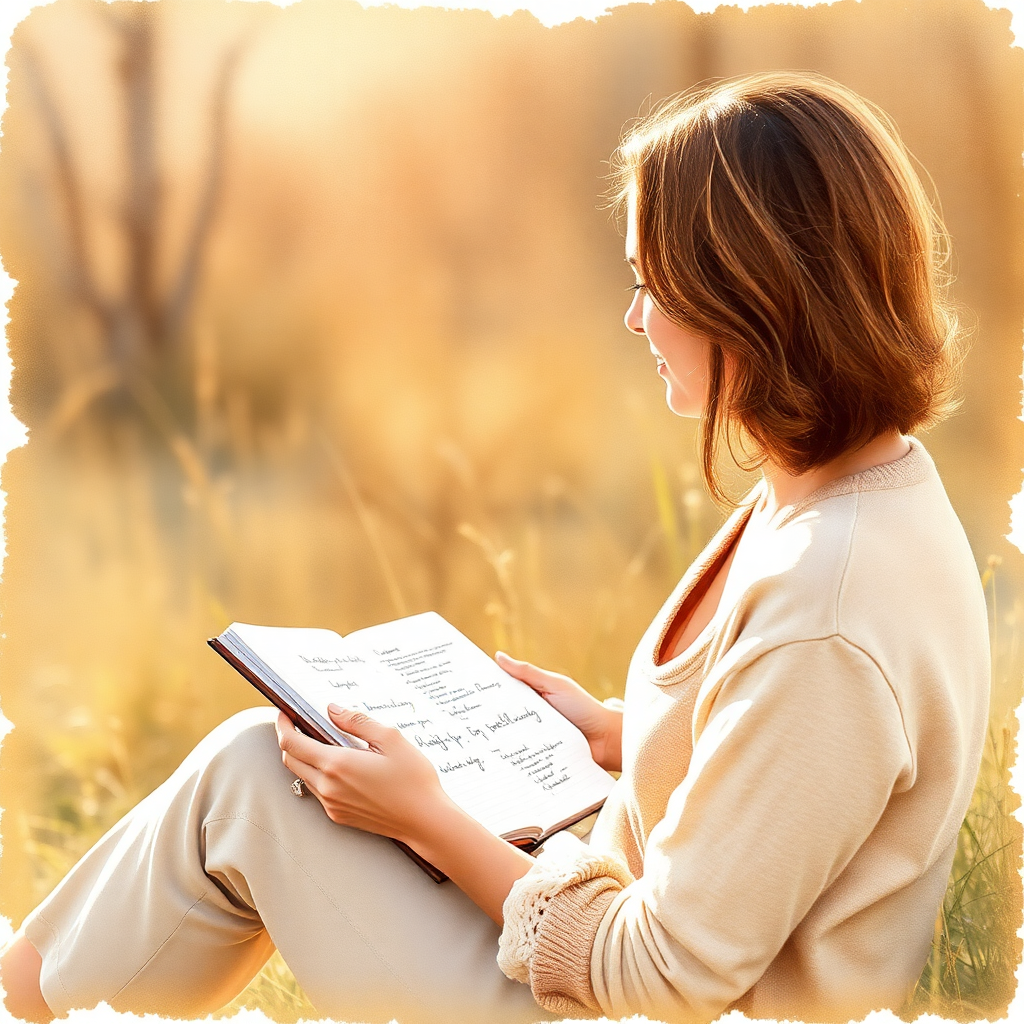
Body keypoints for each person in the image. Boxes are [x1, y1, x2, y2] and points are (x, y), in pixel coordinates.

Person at [1, 70, 990, 1024]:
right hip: (601, 939)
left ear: (755, 296)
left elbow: (664, 976)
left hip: (618, 997)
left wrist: (429, 818)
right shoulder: (845, 492)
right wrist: (609, 732)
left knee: (253, 784)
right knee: (265, 769)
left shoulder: (827, 602)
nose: (634, 316)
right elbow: (779, 768)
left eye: (658, 285)